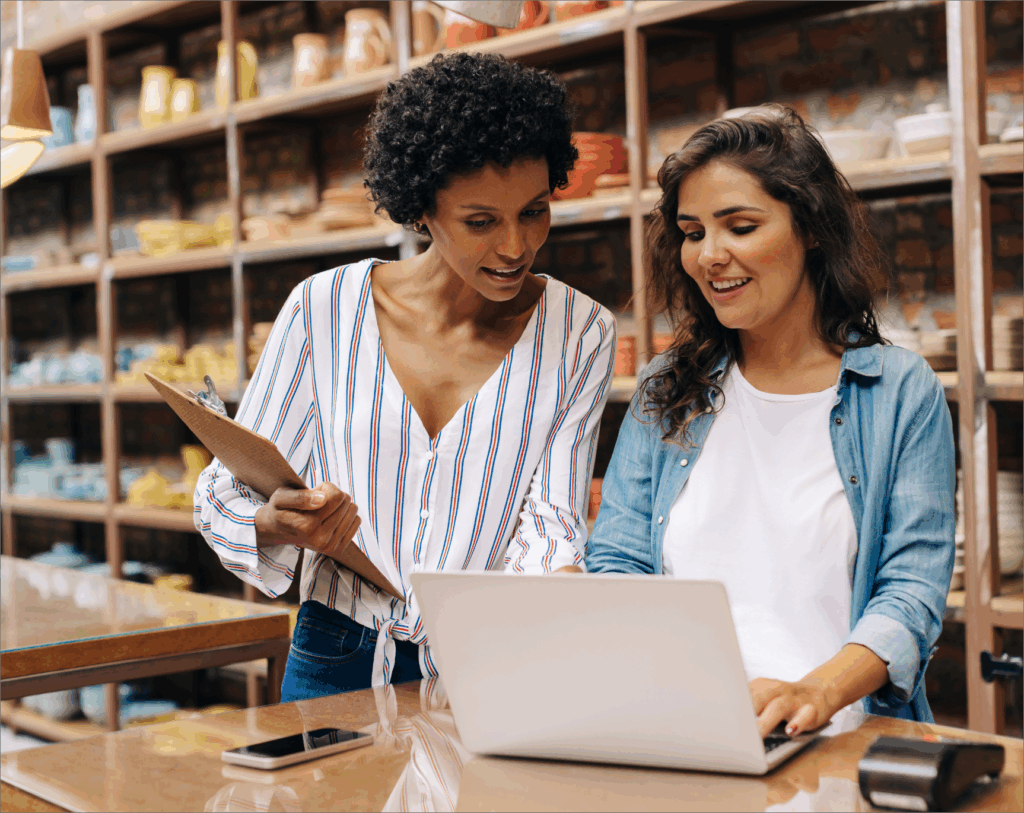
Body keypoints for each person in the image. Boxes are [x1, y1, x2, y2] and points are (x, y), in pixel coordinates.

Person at [195, 52, 615, 699]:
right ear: (421, 208)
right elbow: (228, 488)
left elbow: (552, 519)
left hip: (492, 660)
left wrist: (564, 595)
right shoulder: (323, 308)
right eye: (481, 221)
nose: (515, 246)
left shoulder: (581, 330)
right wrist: (280, 523)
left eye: (533, 210)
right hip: (335, 652)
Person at [586, 106, 954, 736]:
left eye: (741, 226)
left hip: (833, 736)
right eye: (693, 231)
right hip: (685, 731)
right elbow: (617, 562)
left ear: (809, 227)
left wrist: (815, 692)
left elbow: (911, 592)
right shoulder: (666, 388)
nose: (710, 255)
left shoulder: (897, 391)